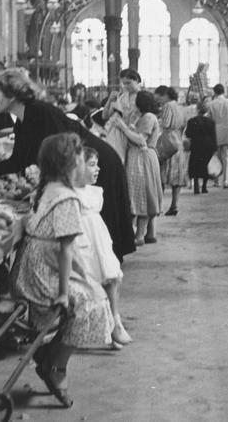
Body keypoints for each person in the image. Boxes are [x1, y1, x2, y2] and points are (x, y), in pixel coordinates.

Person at [0, 68, 137, 261]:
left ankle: (101, 271)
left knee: (99, 224)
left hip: (95, 161)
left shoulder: (41, 111)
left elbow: (65, 153)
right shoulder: (21, 122)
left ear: (11, 94)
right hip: (80, 163)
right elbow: (18, 161)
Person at [11, 132, 114, 408]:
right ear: (71, 165)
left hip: (32, 266)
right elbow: (67, 249)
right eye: (82, 160)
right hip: (43, 274)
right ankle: (55, 365)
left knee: (91, 292)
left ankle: (49, 355)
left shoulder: (47, 188)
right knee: (92, 304)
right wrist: (63, 293)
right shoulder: (67, 198)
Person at [74, 146, 132, 346]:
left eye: (97, 165)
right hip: (83, 243)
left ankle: (116, 321)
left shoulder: (95, 191)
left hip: (99, 239)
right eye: (91, 165)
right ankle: (106, 328)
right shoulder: (71, 194)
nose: (97, 169)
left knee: (112, 277)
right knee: (94, 283)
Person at [122, 90, 163, 245]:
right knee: (145, 194)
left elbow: (140, 140)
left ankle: (139, 236)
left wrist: (124, 128)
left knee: (142, 195)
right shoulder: (145, 116)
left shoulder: (148, 117)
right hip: (143, 157)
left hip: (142, 158)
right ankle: (146, 234)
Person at [155, 85, 188, 215]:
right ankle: (174, 205)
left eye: (158, 96)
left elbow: (166, 124)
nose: (157, 99)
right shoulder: (180, 107)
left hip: (167, 144)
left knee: (161, 175)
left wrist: (158, 121)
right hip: (178, 143)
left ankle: (159, 206)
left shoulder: (168, 106)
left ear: (164, 95)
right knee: (176, 177)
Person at [102, 69, 142, 162]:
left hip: (133, 135)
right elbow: (105, 116)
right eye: (124, 83)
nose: (126, 86)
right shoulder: (122, 97)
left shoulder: (143, 97)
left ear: (136, 80)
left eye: (128, 83)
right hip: (118, 134)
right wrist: (109, 101)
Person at [206, 83, 228, 188]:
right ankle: (226, 181)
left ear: (214, 92)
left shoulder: (211, 104)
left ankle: (217, 181)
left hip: (215, 133)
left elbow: (209, 121)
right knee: (227, 158)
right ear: (224, 91)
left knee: (217, 158)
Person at [184, 100, 217, 194]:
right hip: (208, 146)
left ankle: (196, 187)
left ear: (197, 110)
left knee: (195, 166)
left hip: (196, 145)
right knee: (205, 166)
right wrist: (215, 148)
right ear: (206, 111)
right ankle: (204, 187)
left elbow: (188, 134)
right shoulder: (211, 121)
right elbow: (213, 135)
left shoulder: (191, 121)